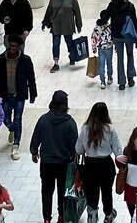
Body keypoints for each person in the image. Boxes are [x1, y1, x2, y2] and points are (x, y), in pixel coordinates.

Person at [30, 90, 79, 223]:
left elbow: (36, 138)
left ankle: (46, 218)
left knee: (46, 191)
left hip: (47, 163)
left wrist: (34, 152)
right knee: (62, 191)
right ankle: (62, 216)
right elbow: (75, 145)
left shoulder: (44, 119)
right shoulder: (70, 123)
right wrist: (74, 160)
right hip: (64, 164)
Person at [76, 102, 121, 223]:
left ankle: (93, 215)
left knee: (91, 192)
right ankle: (108, 214)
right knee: (107, 192)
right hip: (106, 165)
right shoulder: (110, 130)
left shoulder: (85, 129)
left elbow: (78, 150)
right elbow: (118, 151)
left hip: (90, 165)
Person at [0, 36, 36, 161]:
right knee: (5, 118)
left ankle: (16, 144)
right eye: (10, 46)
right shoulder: (1, 59)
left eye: (14, 46)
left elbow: (31, 78)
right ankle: (12, 128)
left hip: (19, 95)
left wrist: (33, 93)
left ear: (19, 47)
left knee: (18, 118)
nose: (12, 48)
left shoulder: (25, 60)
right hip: (5, 95)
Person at [99, 0, 137, 90]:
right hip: (128, 35)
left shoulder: (112, 6)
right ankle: (130, 78)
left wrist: (99, 21)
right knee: (130, 55)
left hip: (116, 35)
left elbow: (105, 18)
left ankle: (122, 82)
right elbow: (135, 22)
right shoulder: (130, 6)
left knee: (120, 59)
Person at [41, 0, 83, 71]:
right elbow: (49, 11)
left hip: (68, 25)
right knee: (56, 44)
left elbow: (77, 12)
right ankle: (56, 63)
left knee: (69, 43)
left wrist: (79, 25)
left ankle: (72, 56)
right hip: (56, 25)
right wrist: (44, 22)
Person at [117, 125, 137, 218]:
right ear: (133, 140)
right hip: (130, 190)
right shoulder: (127, 151)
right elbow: (122, 169)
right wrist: (117, 160)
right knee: (133, 216)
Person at [92, 16, 114, 89]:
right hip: (109, 47)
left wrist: (94, 48)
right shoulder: (110, 27)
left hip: (101, 48)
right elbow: (113, 37)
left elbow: (93, 38)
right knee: (109, 63)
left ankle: (102, 82)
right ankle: (110, 78)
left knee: (101, 65)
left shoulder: (96, 28)